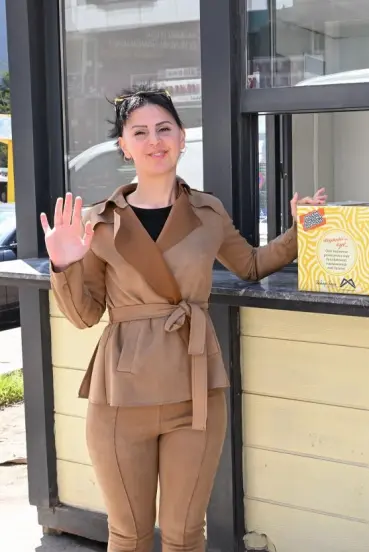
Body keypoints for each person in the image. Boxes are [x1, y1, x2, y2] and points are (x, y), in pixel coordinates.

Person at [40, 85, 325, 552]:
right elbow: (84, 315)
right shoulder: (98, 222)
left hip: (195, 393)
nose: (154, 140)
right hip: (120, 398)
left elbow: (251, 265)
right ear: (124, 146)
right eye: (140, 132)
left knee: (185, 536)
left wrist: (301, 230)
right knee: (128, 535)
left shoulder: (207, 212)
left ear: (182, 137)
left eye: (164, 128)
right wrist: (63, 264)